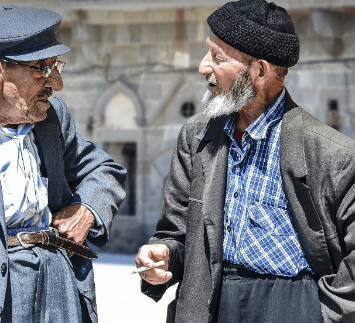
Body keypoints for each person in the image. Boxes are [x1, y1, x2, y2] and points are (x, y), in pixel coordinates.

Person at [135, 1, 355, 322]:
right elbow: (176, 231)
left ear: (260, 71)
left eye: (217, 57)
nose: (202, 67)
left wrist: (319, 313)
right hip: (210, 299)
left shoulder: (331, 153)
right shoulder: (196, 136)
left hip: (291, 302)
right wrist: (163, 255)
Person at [0, 5, 126, 323]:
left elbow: (103, 170)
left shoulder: (52, 118)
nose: (56, 82)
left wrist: (86, 211)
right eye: (41, 68)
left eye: (55, 66)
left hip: (58, 278)